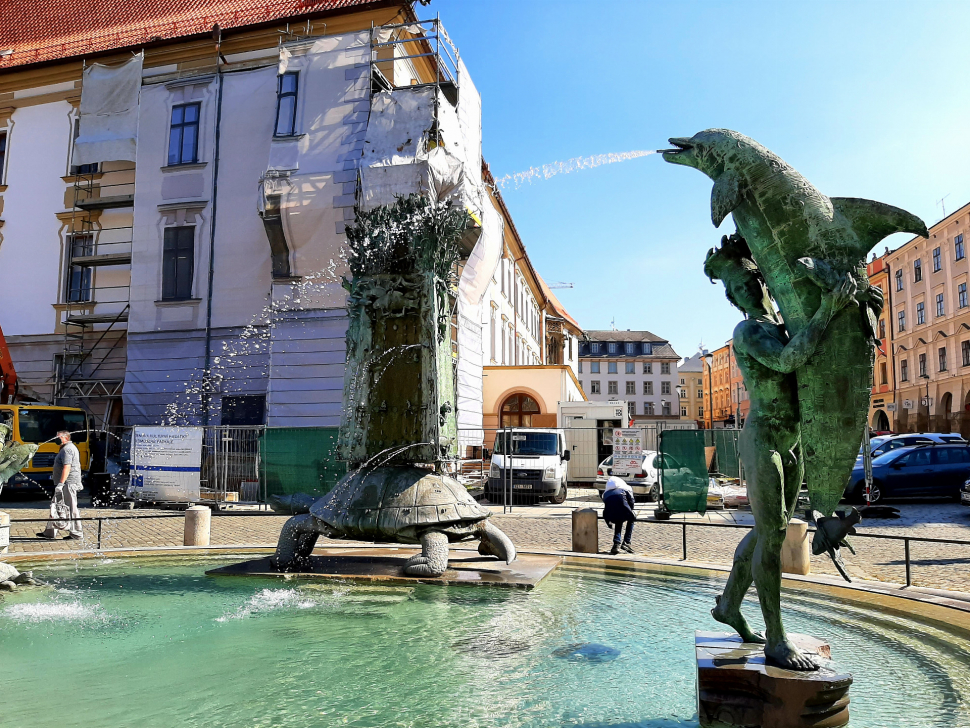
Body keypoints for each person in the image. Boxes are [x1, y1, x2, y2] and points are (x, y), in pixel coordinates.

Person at [703, 233, 855, 671]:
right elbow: (790, 361)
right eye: (737, 288)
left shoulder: (786, 324)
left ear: (763, 280)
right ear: (733, 299)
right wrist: (828, 309)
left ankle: (729, 606)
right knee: (771, 536)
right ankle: (776, 640)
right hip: (764, 437)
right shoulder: (748, 331)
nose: (747, 289)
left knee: (767, 530)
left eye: (751, 280)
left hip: (793, 442)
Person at [38, 430, 84, 541]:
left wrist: (61, 483)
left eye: (58, 437)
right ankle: (50, 532)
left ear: (66, 438)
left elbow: (67, 467)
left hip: (67, 484)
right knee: (55, 506)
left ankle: (77, 533)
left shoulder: (67, 449)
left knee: (71, 508)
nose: (56, 439)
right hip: (64, 483)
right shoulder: (66, 448)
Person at [602, 475, 636, 555]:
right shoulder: (626, 488)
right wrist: (631, 512)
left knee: (618, 521)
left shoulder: (606, 493)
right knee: (631, 519)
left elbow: (607, 505)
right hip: (623, 505)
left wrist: (608, 520)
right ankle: (626, 542)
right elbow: (631, 502)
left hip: (609, 513)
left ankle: (616, 544)